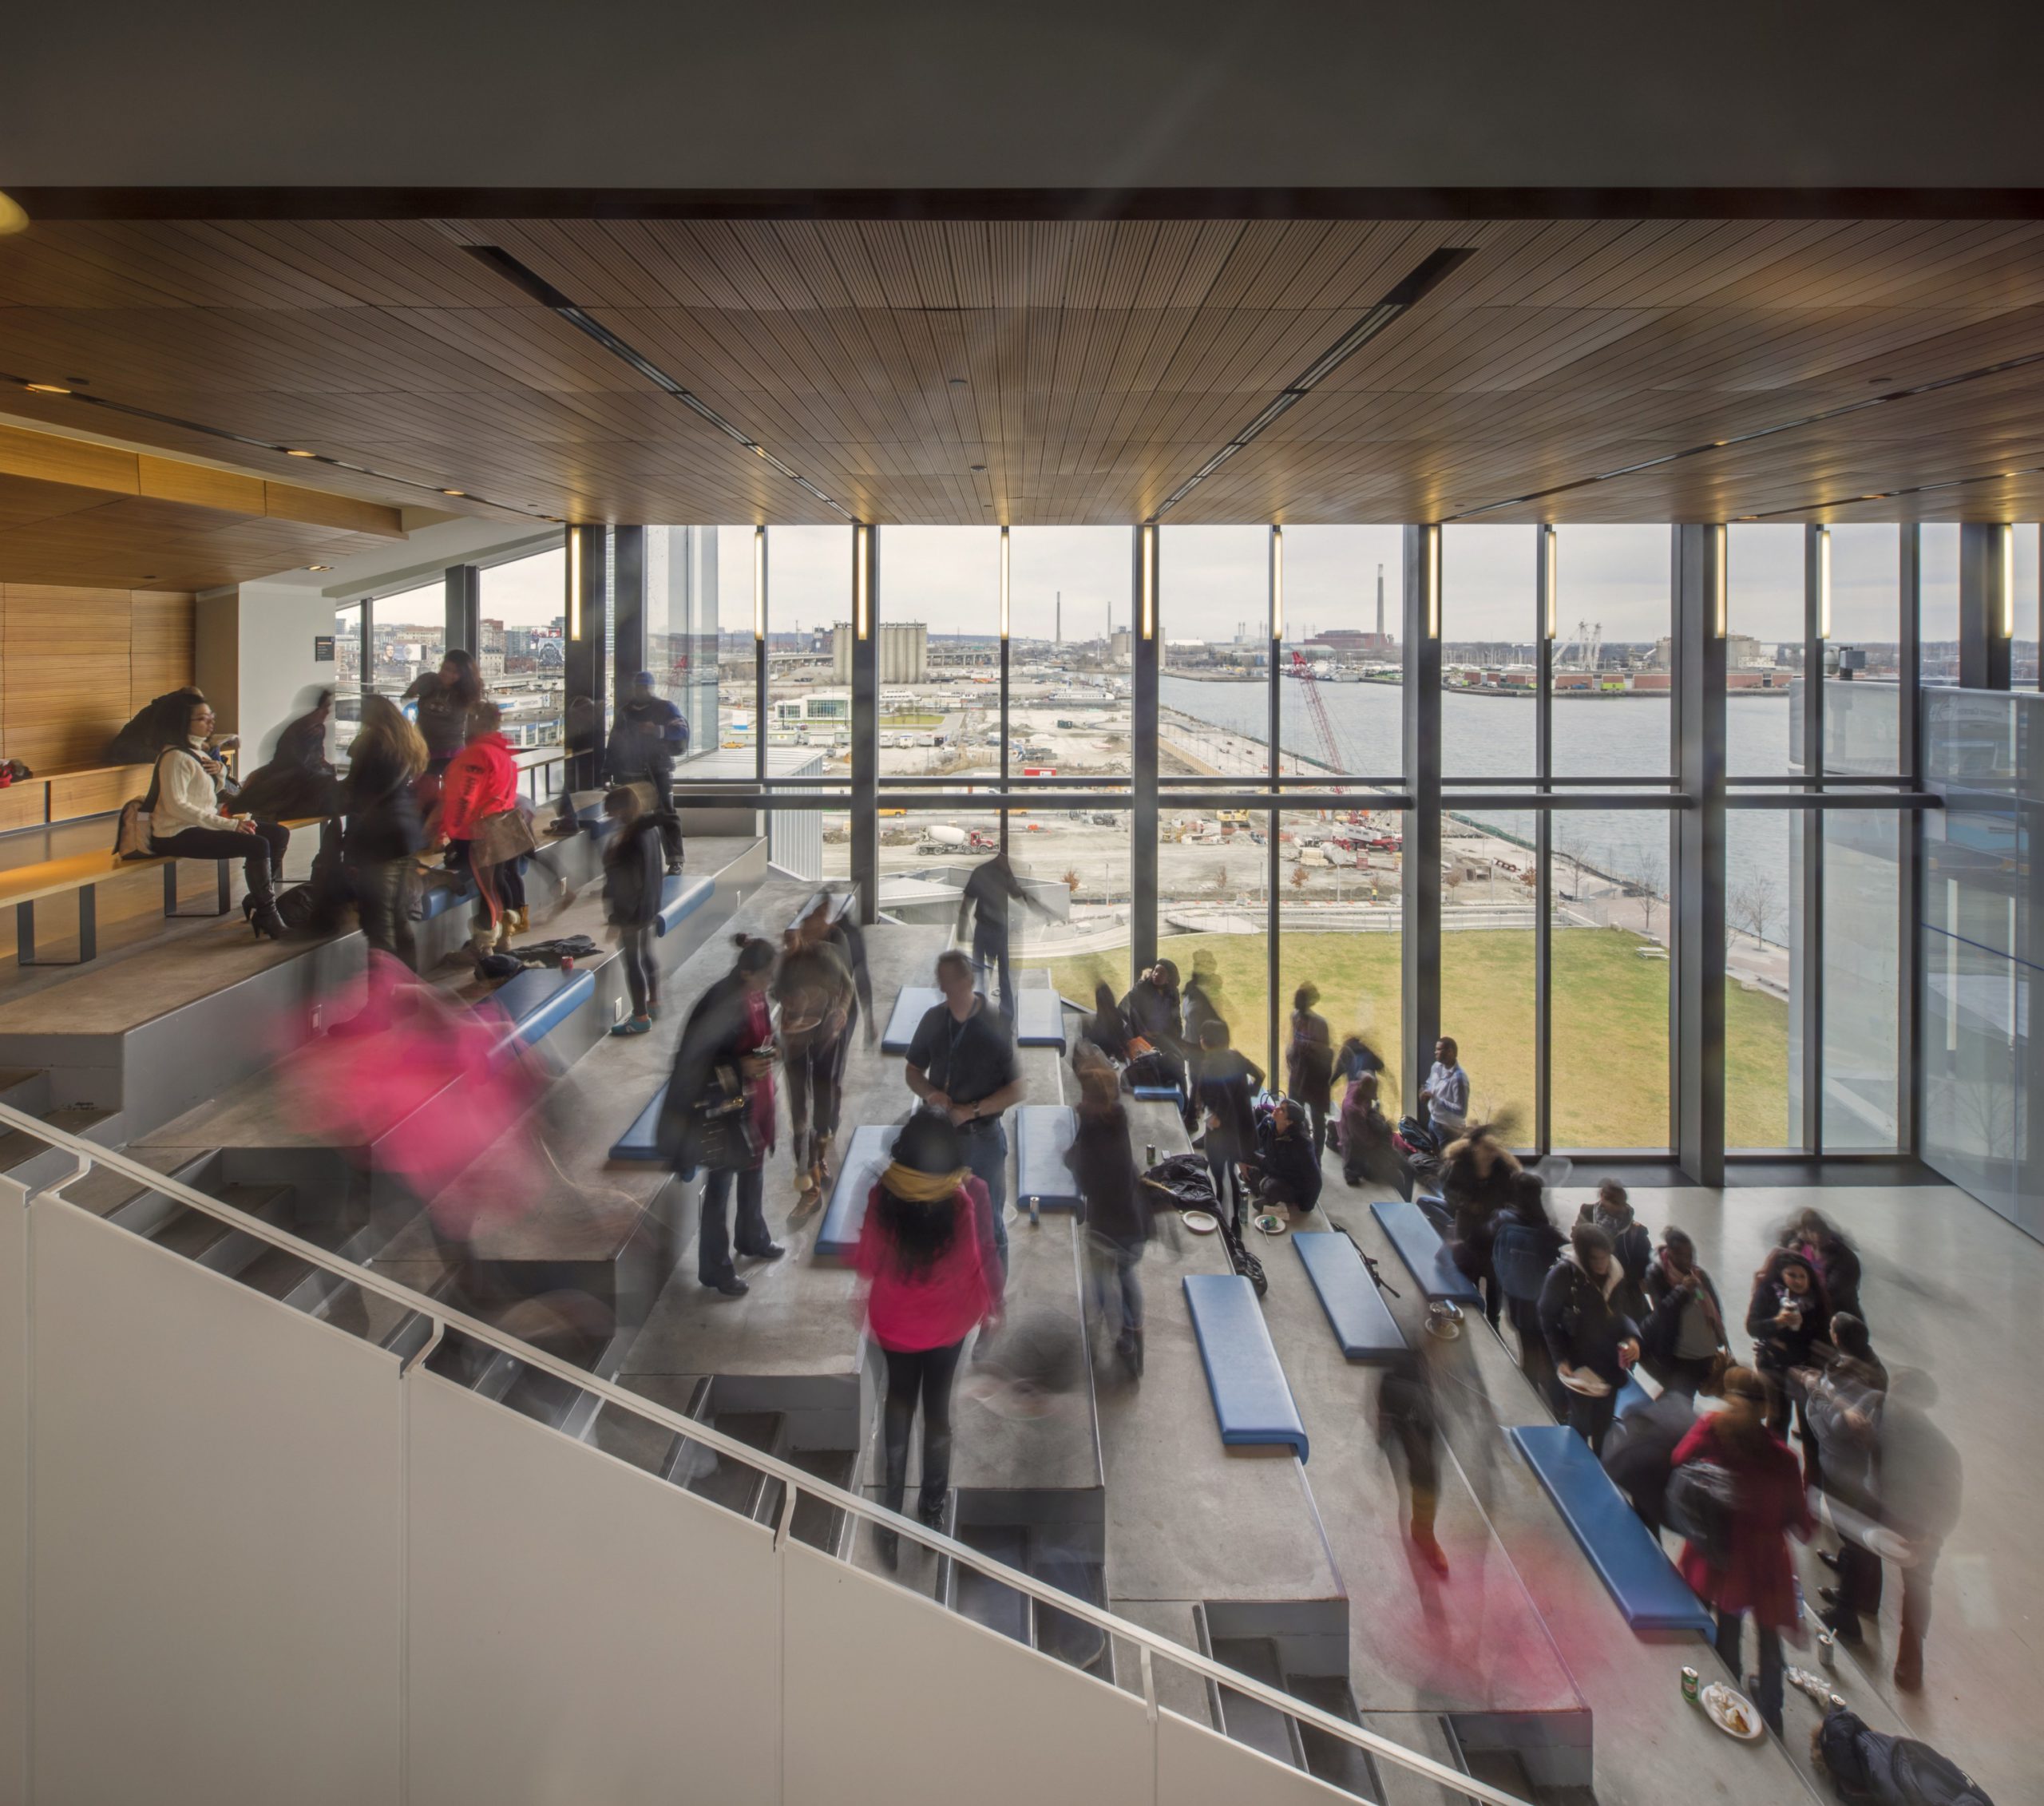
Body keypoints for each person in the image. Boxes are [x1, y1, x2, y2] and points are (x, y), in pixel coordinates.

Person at [854, 1110, 1003, 1564]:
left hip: (894, 1327)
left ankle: (889, 1524)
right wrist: (990, 1306)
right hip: (946, 1327)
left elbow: (866, 1261)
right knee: (938, 1414)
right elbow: (978, 1259)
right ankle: (931, 1514)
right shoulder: (965, 1197)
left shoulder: (883, 1194)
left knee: (896, 1409)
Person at [1670, 1366, 1813, 1737]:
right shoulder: (1784, 1459)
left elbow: (1679, 1457)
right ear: (1767, 1408)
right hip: (1766, 1562)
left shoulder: (1713, 1429)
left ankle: (1730, 1700)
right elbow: (1801, 1524)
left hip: (1724, 1554)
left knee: (1729, 1627)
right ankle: (1772, 1712)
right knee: (1768, 1635)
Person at [659, 936, 784, 1297]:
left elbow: (765, 1033)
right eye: (765, 976)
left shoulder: (756, 993)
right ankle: (716, 1269)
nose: (769, 983)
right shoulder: (719, 1002)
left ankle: (752, 1237)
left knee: (754, 1169)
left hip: (755, 1100)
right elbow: (692, 1061)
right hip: (725, 1109)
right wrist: (738, 1064)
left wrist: (771, 1049)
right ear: (746, 972)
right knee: (720, 1186)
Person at [905, 949, 1024, 1270]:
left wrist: (971, 1110)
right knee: (939, 1220)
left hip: (982, 1139)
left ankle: (993, 1305)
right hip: (940, 1138)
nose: (947, 989)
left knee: (989, 1227)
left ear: (969, 980)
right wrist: (930, 1093)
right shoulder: (933, 1019)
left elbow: (1017, 1088)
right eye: (943, 983)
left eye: (953, 982)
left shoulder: (995, 1023)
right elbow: (913, 1071)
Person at [146, 695, 290, 939]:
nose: (210, 723)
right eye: (202, 718)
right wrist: (230, 825)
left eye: (211, 717)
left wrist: (220, 772)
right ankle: (267, 914)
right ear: (183, 723)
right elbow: (177, 806)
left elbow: (209, 795)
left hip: (198, 826)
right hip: (175, 832)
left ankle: (258, 898)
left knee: (278, 833)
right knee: (257, 844)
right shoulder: (175, 757)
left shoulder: (197, 753)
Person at [1869, 1368, 1963, 1692]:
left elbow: (1950, 1503)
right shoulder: (1886, 1420)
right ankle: (1863, 1606)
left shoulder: (1941, 1449)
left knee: (1918, 1586)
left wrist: (1932, 1536)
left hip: (1916, 1526)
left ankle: (1912, 1657)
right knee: (1912, 1583)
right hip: (1894, 1516)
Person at [1807, 1314, 1889, 1646]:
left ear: (1839, 1339)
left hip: (1850, 1471)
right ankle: (1849, 1572)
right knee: (1850, 1535)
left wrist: (1818, 1395)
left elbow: (1843, 1426)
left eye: (1831, 1331)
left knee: (1860, 1540)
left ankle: (1854, 1609)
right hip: (1840, 1465)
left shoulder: (1864, 1381)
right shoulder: (1855, 1366)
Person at [1066, 1057, 1149, 1376]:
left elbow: (1086, 1179)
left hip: (1107, 1226)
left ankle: (1113, 1338)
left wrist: (1070, 1156)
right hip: (1135, 1221)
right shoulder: (1119, 1121)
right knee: (1127, 1276)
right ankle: (1133, 1335)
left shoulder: (1092, 1132)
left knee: (1101, 1281)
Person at [774, 901, 854, 1217]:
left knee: (823, 1100)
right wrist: (791, 1006)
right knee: (798, 1112)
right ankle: (808, 1187)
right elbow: (777, 994)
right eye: (786, 938)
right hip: (795, 1040)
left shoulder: (825, 955)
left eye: (796, 935)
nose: (790, 941)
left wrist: (842, 1011)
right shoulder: (783, 964)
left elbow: (848, 986)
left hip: (824, 1037)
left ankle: (819, 1156)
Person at [1536, 1222, 1642, 1454]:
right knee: (1581, 1423)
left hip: (1609, 1363)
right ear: (1584, 1256)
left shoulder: (1616, 1273)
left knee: (1604, 1423)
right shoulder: (1564, 1274)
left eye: (1606, 1257)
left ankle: (1600, 1467)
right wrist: (1560, 1359)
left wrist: (1632, 1337)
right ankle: (1576, 1466)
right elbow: (1546, 1317)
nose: (1603, 1265)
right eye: (1596, 1259)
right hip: (1579, 1366)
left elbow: (1620, 1314)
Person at [339, 696, 427, 970]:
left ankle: (383, 1004)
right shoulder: (406, 741)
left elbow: (356, 792)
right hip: (405, 834)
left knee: (378, 924)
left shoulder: (372, 742)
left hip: (379, 840)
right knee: (398, 916)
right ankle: (409, 995)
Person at [438, 702, 527, 960]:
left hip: (479, 833)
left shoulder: (476, 755)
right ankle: (503, 939)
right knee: (496, 885)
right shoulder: (503, 754)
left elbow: (464, 797)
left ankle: (483, 946)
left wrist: (449, 831)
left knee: (487, 889)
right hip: (502, 829)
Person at [1491, 1170, 1567, 1405]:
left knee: (1529, 1348)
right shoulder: (1547, 1231)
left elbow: (1496, 1255)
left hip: (1517, 1298)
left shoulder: (1504, 1220)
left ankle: (1530, 1394)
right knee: (1548, 1351)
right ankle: (1558, 1404)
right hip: (1543, 1302)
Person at [1745, 1247, 1831, 1450]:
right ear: (1781, 1274)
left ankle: (1812, 1478)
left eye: (1803, 1276)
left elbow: (1823, 1336)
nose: (1798, 1280)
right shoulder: (1768, 1293)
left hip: (1806, 1373)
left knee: (1810, 1428)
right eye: (1792, 1275)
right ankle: (1775, 1471)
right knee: (1777, 1423)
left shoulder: (1816, 1300)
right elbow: (1753, 1326)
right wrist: (1777, 1322)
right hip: (1774, 1368)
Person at [604, 670, 687, 874]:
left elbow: (682, 731)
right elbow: (614, 743)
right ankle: (636, 861)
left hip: (657, 769)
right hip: (631, 771)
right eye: (639, 687)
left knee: (665, 813)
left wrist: (657, 730)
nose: (642, 691)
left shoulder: (665, 708)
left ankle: (675, 859)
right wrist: (607, 771)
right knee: (633, 818)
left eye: (645, 687)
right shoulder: (625, 713)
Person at [953, 852, 1050, 1025]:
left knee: (980, 972)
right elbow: (1021, 896)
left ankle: (981, 1013)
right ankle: (1006, 1014)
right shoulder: (998, 873)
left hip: (987, 929)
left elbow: (966, 905)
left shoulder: (984, 872)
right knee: (1001, 974)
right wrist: (1043, 911)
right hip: (995, 930)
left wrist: (961, 935)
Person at [1377, 1349, 1449, 1577]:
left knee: (1426, 1475)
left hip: (1415, 1378)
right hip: (1407, 1397)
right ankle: (1423, 1532)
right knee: (1425, 1476)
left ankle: (1423, 1529)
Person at [600, 786, 664, 1036]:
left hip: (632, 911)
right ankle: (654, 1001)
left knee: (632, 961)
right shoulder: (649, 831)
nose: (610, 818)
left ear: (621, 810)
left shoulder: (629, 840)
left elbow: (625, 882)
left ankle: (640, 1016)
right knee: (647, 952)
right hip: (649, 905)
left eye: (612, 813)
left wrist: (618, 917)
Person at [1641, 1226, 1729, 1397]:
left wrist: (1718, 1336)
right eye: (1684, 1256)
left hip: (1703, 1353)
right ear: (1671, 1254)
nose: (1689, 1260)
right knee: (1682, 1396)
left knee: (1681, 1394)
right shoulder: (1656, 1274)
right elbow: (1663, 1313)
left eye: (1691, 1255)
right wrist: (1682, 1291)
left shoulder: (1697, 1274)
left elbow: (1713, 1305)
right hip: (1680, 1353)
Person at [1193, 1017, 1262, 1234]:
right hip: (1242, 1126)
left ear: (1206, 1040)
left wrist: (1217, 1117)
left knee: (1218, 1173)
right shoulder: (1236, 1056)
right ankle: (1235, 1225)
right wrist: (1248, 1093)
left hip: (1222, 1130)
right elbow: (1259, 1075)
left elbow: (1222, 1096)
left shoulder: (1210, 1065)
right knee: (1232, 1172)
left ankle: (1221, 1217)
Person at [1601, 1385, 1696, 1539]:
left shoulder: (1634, 1455)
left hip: (1657, 1469)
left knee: (1649, 1512)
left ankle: (1647, 1539)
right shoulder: (1677, 1409)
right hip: (1661, 1468)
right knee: (1648, 1513)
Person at [403, 648, 483, 783]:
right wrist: (416, 688)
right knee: (425, 793)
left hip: (451, 751)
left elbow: (478, 716)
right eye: (446, 668)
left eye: (455, 672)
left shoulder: (464, 693)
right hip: (423, 749)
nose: (447, 674)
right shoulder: (429, 680)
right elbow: (408, 695)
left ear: (464, 675)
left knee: (452, 793)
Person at [1576, 1179, 1653, 1308]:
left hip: (1624, 1293)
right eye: (1614, 1202)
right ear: (1602, 1198)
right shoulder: (1587, 1213)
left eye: (1622, 1203)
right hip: (1591, 1286)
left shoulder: (1636, 1231)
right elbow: (1577, 1247)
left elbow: (1645, 1266)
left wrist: (1622, 1279)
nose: (1620, 1208)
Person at [1781, 1208, 1865, 1323]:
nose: (1818, 1236)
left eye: (1821, 1231)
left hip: (1839, 1319)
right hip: (1811, 1314)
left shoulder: (1845, 1260)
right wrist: (1793, 1244)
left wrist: (1801, 1299)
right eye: (1811, 1231)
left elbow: (1830, 1293)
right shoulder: (1803, 1245)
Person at [1246, 1095, 1322, 1216]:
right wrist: (1241, 1160)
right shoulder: (1268, 1122)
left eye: (1282, 1110)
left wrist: (1306, 1206)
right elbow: (1251, 1142)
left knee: (1272, 1187)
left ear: (1289, 1122)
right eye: (1279, 1106)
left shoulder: (1302, 1143)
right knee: (1246, 1164)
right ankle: (1266, 1195)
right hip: (1272, 1167)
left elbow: (1314, 1178)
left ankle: (1267, 1194)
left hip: (1290, 1180)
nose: (1276, 1109)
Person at [1337, 1068, 1408, 1197]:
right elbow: (1365, 1140)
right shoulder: (1353, 1109)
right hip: (1360, 1144)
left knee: (1408, 1169)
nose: (1376, 1095)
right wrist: (1384, 1130)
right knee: (1398, 1175)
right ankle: (1353, 1172)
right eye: (1373, 1092)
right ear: (1365, 1090)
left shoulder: (1358, 1090)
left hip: (1364, 1138)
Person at [1285, 984, 1335, 1162]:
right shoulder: (1295, 1017)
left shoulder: (1320, 1024)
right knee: (1293, 1112)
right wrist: (1291, 1053)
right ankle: (1297, 1150)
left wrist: (1307, 1047)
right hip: (1299, 1073)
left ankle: (1316, 1157)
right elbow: (1293, 1039)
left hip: (1315, 1076)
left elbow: (1326, 1051)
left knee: (1317, 1117)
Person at [1420, 1036, 1469, 1139]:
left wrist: (1438, 1100)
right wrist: (1425, 1092)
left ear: (1450, 1052)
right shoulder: (1436, 1066)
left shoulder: (1459, 1079)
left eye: (1438, 1049)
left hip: (1449, 1129)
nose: (1435, 1052)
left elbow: (1462, 1111)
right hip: (1433, 1121)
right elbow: (1430, 1083)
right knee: (1434, 1155)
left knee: (1445, 1156)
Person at [1181, 953, 1226, 1052]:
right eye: (1197, 964)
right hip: (1193, 1043)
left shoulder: (1211, 992)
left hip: (1205, 1045)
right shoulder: (1190, 988)